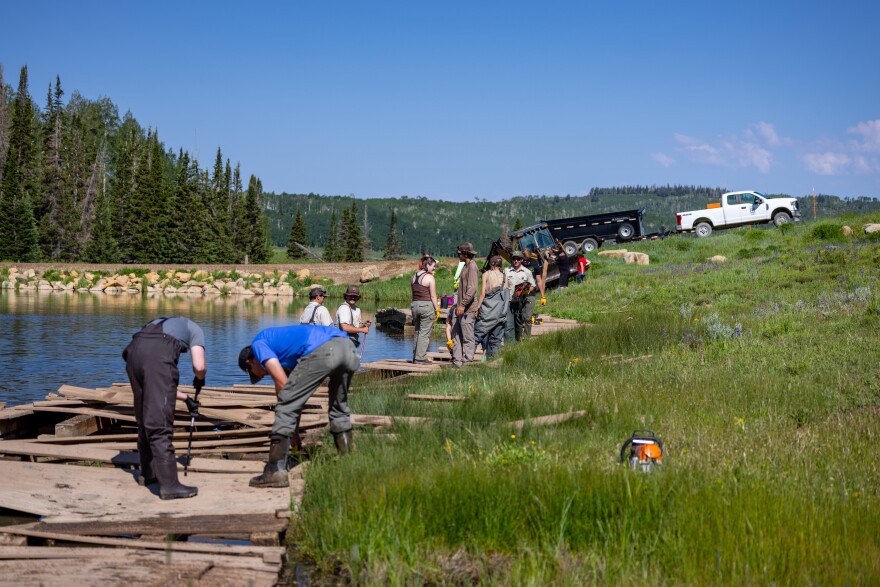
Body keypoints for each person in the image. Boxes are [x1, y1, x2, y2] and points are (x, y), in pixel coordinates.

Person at [239, 325, 359, 488]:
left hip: (325, 350)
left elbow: (283, 386)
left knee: (285, 404)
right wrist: (294, 432)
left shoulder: (258, 344)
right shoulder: (285, 353)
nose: (262, 375)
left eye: (254, 372)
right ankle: (349, 461)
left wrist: (288, 424)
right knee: (339, 407)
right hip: (348, 348)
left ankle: (275, 471)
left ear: (250, 362)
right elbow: (294, 397)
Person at [122, 317, 205, 500]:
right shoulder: (195, 328)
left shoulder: (158, 323)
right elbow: (199, 366)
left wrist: (186, 398)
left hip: (133, 352)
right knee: (159, 423)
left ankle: (148, 474)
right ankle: (170, 486)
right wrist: (200, 378)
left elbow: (157, 384)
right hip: (156, 356)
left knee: (145, 419)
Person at [450, 242, 479, 367]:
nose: (458, 255)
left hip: (467, 309)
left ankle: (467, 362)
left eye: (459, 253)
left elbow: (472, 289)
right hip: (459, 308)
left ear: (465, 254)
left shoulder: (472, 266)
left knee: (467, 337)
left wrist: (462, 304)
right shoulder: (464, 266)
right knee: (455, 334)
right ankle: (457, 361)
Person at [474, 255, 508, 358]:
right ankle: (493, 359)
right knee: (496, 339)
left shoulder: (486, 274)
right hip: (500, 313)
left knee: (476, 335)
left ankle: (468, 357)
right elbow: (505, 294)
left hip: (487, 311)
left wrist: (478, 307)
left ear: (491, 263)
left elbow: (483, 294)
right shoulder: (504, 276)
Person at [410, 256, 440, 363]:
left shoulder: (413, 277)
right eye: (433, 266)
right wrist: (437, 309)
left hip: (414, 305)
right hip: (426, 307)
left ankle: (415, 356)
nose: (434, 268)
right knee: (424, 333)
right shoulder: (430, 278)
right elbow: (433, 296)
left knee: (417, 331)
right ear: (427, 265)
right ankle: (420, 358)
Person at [503, 250, 536, 344]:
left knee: (520, 321)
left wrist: (526, 289)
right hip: (509, 300)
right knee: (509, 323)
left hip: (522, 301)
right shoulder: (506, 271)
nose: (516, 261)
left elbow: (533, 285)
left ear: (522, 260)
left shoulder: (527, 272)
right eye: (514, 259)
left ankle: (521, 340)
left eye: (518, 259)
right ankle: (511, 343)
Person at [522, 248, 547, 335]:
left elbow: (539, 280)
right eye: (524, 259)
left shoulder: (534, 263)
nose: (525, 261)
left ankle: (526, 336)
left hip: (531, 292)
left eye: (527, 259)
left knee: (528, 317)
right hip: (519, 293)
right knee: (521, 316)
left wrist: (542, 296)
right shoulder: (518, 262)